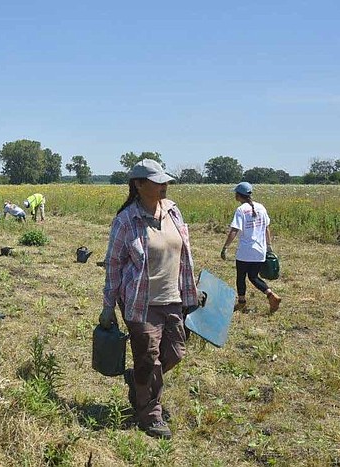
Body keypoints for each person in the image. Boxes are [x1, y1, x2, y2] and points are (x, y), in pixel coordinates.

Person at [99, 159, 200, 440]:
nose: (164, 185)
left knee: (176, 352)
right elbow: (113, 265)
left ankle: (138, 380)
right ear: (139, 185)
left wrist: (191, 292)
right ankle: (150, 414)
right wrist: (108, 307)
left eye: (165, 180)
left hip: (173, 297)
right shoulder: (126, 220)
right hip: (140, 302)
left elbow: (184, 254)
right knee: (149, 358)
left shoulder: (172, 212)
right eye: (158, 181)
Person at [221, 182, 282, 313]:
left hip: (245, 252)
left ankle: (242, 302)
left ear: (238, 195)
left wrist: (225, 247)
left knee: (241, 277)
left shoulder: (241, 210)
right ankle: (270, 294)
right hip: (260, 250)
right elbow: (266, 228)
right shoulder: (261, 207)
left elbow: (234, 230)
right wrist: (269, 246)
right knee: (253, 277)